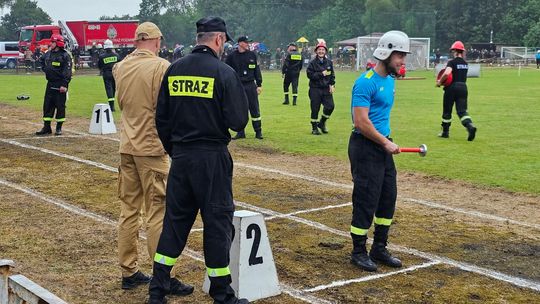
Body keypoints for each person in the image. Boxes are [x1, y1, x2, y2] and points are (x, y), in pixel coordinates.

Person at [148, 16, 250, 304]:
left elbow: (162, 118)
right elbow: (238, 119)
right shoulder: (224, 72)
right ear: (219, 40)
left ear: (198, 39)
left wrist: (175, 150)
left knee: (174, 224)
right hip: (212, 158)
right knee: (217, 224)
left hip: (181, 158)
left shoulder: (174, 69)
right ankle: (222, 294)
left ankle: (157, 289)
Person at [112, 22, 178, 292]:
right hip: (151, 148)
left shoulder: (121, 65)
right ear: (156, 40)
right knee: (157, 213)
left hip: (127, 145)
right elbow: (167, 107)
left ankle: (129, 271)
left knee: (128, 211)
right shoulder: (161, 67)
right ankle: (163, 274)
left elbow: (121, 104)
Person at [348, 30, 409, 272]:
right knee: (366, 198)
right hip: (365, 147)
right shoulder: (365, 82)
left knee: (387, 197)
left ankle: (379, 247)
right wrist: (385, 142)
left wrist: (386, 142)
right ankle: (358, 251)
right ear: (386, 53)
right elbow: (360, 122)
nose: (402, 61)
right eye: (400, 56)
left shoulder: (390, 81)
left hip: (383, 145)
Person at [436, 40, 477, 141]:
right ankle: (470, 126)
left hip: (452, 88)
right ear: (462, 51)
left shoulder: (452, 62)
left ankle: (445, 132)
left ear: (454, 51)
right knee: (462, 111)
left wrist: (439, 82)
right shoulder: (465, 64)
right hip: (463, 87)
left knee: (447, 111)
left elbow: (446, 73)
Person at [226, 35, 264, 139]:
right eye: (246, 42)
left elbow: (257, 70)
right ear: (240, 43)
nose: (248, 44)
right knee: (239, 109)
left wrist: (259, 85)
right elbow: (227, 72)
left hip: (251, 85)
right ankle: (240, 132)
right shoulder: (231, 56)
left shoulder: (252, 55)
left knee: (254, 108)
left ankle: (258, 132)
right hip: (238, 86)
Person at [35, 34, 72, 136]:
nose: (50, 43)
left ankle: (59, 128)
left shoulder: (65, 55)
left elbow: (67, 71)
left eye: (52, 42)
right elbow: (41, 61)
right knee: (47, 106)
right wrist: (45, 69)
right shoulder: (48, 54)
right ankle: (46, 128)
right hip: (50, 83)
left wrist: (64, 84)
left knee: (60, 106)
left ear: (57, 43)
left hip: (61, 85)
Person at [306, 41, 335, 135]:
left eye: (323, 50)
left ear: (325, 51)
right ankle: (314, 128)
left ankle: (322, 123)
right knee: (315, 109)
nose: (321, 51)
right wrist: (320, 74)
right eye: (319, 50)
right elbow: (309, 75)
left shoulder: (329, 62)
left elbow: (332, 75)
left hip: (326, 88)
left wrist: (332, 84)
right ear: (316, 51)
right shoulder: (312, 63)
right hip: (315, 88)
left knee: (330, 106)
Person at [98, 39, 119, 111]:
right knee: (113, 89)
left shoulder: (102, 56)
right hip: (115, 74)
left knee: (108, 89)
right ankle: (112, 105)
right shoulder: (116, 55)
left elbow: (99, 66)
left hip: (106, 74)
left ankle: (111, 106)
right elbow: (120, 64)